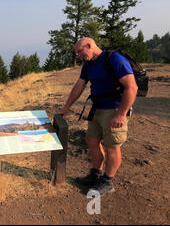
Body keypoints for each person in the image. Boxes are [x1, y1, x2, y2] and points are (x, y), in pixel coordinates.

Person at [58, 37, 138, 195]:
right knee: (91, 140)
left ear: (89, 45)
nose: (79, 55)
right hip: (97, 108)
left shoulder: (114, 59)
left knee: (111, 146)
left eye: (80, 51)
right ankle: (96, 174)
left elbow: (132, 87)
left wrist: (121, 114)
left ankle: (108, 181)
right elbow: (79, 86)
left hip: (115, 109)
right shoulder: (88, 65)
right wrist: (66, 107)